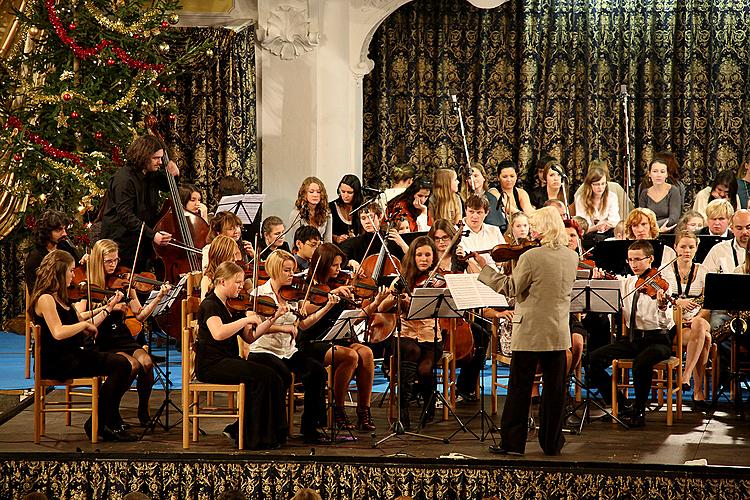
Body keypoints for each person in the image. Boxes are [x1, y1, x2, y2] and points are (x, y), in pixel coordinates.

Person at [477, 206, 578, 455]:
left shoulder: (531, 257)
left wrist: (484, 270)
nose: (531, 230)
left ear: (544, 228)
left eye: (535, 226)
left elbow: (512, 288)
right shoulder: (571, 256)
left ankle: (513, 444)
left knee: (520, 389)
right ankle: (552, 443)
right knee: (555, 390)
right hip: (558, 331)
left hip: (531, 331)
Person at [29, 250, 136, 441]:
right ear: (60, 272)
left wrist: (108, 307)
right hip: (58, 361)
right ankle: (100, 422)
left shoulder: (61, 297)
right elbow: (58, 331)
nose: (73, 275)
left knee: (122, 364)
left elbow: (84, 319)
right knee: (120, 364)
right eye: (70, 270)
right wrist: (84, 325)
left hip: (72, 354)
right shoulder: (45, 298)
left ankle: (103, 420)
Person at [195, 261, 288, 450]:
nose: (241, 286)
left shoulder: (233, 306)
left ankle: (272, 433)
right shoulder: (210, 304)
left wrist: (273, 318)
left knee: (274, 375)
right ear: (221, 282)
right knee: (263, 376)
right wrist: (246, 319)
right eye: (237, 282)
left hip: (227, 360)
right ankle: (254, 438)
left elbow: (250, 337)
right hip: (211, 364)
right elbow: (218, 333)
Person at [299, 243, 389, 431]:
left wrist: (375, 303)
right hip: (314, 341)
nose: (339, 270)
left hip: (338, 338)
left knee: (366, 353)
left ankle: (363, 410)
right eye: (334, 266)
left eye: (340, 265)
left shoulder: (341, 284)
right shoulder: (307, 287)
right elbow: (305, 310)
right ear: (323, 264)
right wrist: (331, 295)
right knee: (350, 356)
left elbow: (355, 320)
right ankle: (338, 410)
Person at [246, 249, 331, 444]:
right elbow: (255, 328)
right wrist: (283, 328)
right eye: (287, 271)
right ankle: (277, 429)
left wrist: (327, 307)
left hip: (287, 351)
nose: (292, 275)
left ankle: (310, 427)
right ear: (275, 270)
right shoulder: (259, 294)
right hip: (263, 351)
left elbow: (302, 324)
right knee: (281, 374)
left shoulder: (293, 295)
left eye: (292, 270)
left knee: (317, 371)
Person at [588, 240, 674, 427]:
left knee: (641, 363)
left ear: (650, 259)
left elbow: (668, 323)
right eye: (630, 260)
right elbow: (609, 287)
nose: (634, 264)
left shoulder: (663, 285)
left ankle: (639, 412)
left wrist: (661, 306)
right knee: (593, 359)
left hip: (658, 340)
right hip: (633, 339)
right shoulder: (627, 283)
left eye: (638, 259)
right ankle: (620, 403)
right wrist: (599, 278)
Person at [88, 239, 171, 426]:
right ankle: (112, 410)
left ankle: (143, 409)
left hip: (122, 336)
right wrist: (111, 307)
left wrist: (159, 297)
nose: (114, 265)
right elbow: (85, 318)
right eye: (108, 261)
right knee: (132, 365)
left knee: (147, 362)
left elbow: (140, 315)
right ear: (97, 261)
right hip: (103, 339)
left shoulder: (124, 283)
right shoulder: (89, 284)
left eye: (116, 260)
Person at [378, 236, 443, 429]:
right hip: (405, 332)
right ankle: (403, 409)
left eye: (428, 255)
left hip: (430, 333)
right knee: (412, 351)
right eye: (419, 255)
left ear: (433, 257)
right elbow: (382, 306)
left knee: (424, 369)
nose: (423, 259)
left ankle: (429, 405)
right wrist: (396, 297)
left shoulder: (438, 281)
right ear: (412, 257)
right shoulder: (401, 279)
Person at [100, 135, 178, 272]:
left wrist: (174, 175)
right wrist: (153, 234)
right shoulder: (124, 179)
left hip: (141, 241)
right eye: (156, 158)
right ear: (143, 156)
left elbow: (168, 187)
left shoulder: (151, 174)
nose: (160, 162)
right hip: (122, 243)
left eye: (161, 158)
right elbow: (125, 215)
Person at [660, 231, 711, 410]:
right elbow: (663, 301)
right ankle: (698, 393)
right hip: (676, 323)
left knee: (699, 324)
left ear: (696, 249)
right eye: (683, 246)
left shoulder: (704, 271)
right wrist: (678, 307)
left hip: (698, 320)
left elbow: (708, 306)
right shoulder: (665, 271)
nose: (687, 251)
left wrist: (696, 317)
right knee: (706, 339)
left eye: (691, 247)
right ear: (675, 247)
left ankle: (685, 375)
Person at [25, 210, 80, 291]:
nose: (65, 234)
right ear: (46, 232)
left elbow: (78, 266)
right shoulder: (35, 258)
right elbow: (36, 292)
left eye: (64, 229)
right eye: (59, 230)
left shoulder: (64, 246)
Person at [456, 195, 506, 273]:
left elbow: (504, 260)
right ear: (465, 211)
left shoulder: (494, 230)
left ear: (486, 213)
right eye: (471, 211)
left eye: (479, 212)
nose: (475, 216)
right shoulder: (455, 231)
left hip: (494, 276)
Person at [637, 157, 682, 232]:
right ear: (649, 174)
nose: (659, 175)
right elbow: (641, 218)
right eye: (655, 171)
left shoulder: (673, 191)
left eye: (662, 171)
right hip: (649, 232)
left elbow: (673, 219)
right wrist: (652, 229)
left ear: (667, 174)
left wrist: (652, 226)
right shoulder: (644, 193)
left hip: (669, 232)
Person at [573, 166, 620, 236]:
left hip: (608, 233)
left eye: (603, 184)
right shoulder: (581, 199)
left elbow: (615, 221)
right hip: (588, 235)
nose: (600, 188)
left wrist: (606, 225)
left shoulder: (612, 197)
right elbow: (582, 227)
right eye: (597, 184)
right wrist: (596, 228)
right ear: (589, 185)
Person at [460, 163, 507, 230]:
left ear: (484, 178)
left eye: (476, 176)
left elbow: (494, 224)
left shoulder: (491, 198)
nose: (473, 179)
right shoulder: (463, 198)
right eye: (469, 178)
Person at [288, 177, 333, 246]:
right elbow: (294, 242)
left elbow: (328, 241)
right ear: (304, 194)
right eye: (311, 192)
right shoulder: (296, 214)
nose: (315, 195)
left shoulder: (327, 213)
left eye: (318, 192)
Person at [200, 235, 245, 300]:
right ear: (222, 256)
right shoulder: (207, 280)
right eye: (232, 255)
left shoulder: (235, 274)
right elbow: (206, 307)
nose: (235, 259)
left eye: (235, 254)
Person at [330, 174, 364, 244]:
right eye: (343, 191)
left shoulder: (361, 208)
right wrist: (336, 238)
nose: (345, 196)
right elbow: (324, 233)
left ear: (356, 193)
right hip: (336, 249)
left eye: (349, 192)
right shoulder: (331, 207)